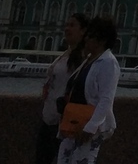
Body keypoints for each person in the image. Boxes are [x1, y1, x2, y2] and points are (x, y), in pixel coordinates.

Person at [58, 16, 120, 164]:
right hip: (73, 124)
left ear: (102, 40)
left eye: (90, 36)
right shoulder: (89, 59)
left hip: (88, 126)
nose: (86, 39)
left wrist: (90, 127)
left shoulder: (108, 63)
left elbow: (106, 98)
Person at [37, 13, 89, 164]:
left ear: (83, 31)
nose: (67, 28)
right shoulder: (65, 54)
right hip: (48, 118)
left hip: (63, 124)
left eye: (72, 25)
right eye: (66, 25)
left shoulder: (83, 58)